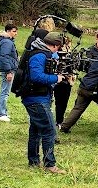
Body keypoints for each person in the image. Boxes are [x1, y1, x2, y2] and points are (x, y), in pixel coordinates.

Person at [20, 31, 65, 173]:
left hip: (38, 97)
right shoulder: (39, 55)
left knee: (36, 131)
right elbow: (36, 77)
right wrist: (55, 79)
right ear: (56, 45)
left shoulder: (42, 53)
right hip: (36, 99)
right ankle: (49, 165)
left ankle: (33, 162)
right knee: (49, 130)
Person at [0, 23, 18, 122]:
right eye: (14, 31)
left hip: (8, 69)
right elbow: (4, 56)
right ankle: (1, 114)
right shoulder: (7, 42)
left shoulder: (6, 41)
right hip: (8, 70)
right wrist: (9, 71)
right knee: (5, 92)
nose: (16, 33)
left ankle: (3, 112)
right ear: (8, 31)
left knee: (5, 91)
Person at [53, 35, 74, 128]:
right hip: (58, 80)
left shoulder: (70, 55)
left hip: (68, 81)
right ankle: (59, 120)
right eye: (68, 46)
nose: (69, 48)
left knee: (64, 101)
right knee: (59, 101)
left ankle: (60, 120)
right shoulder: (56, 54)